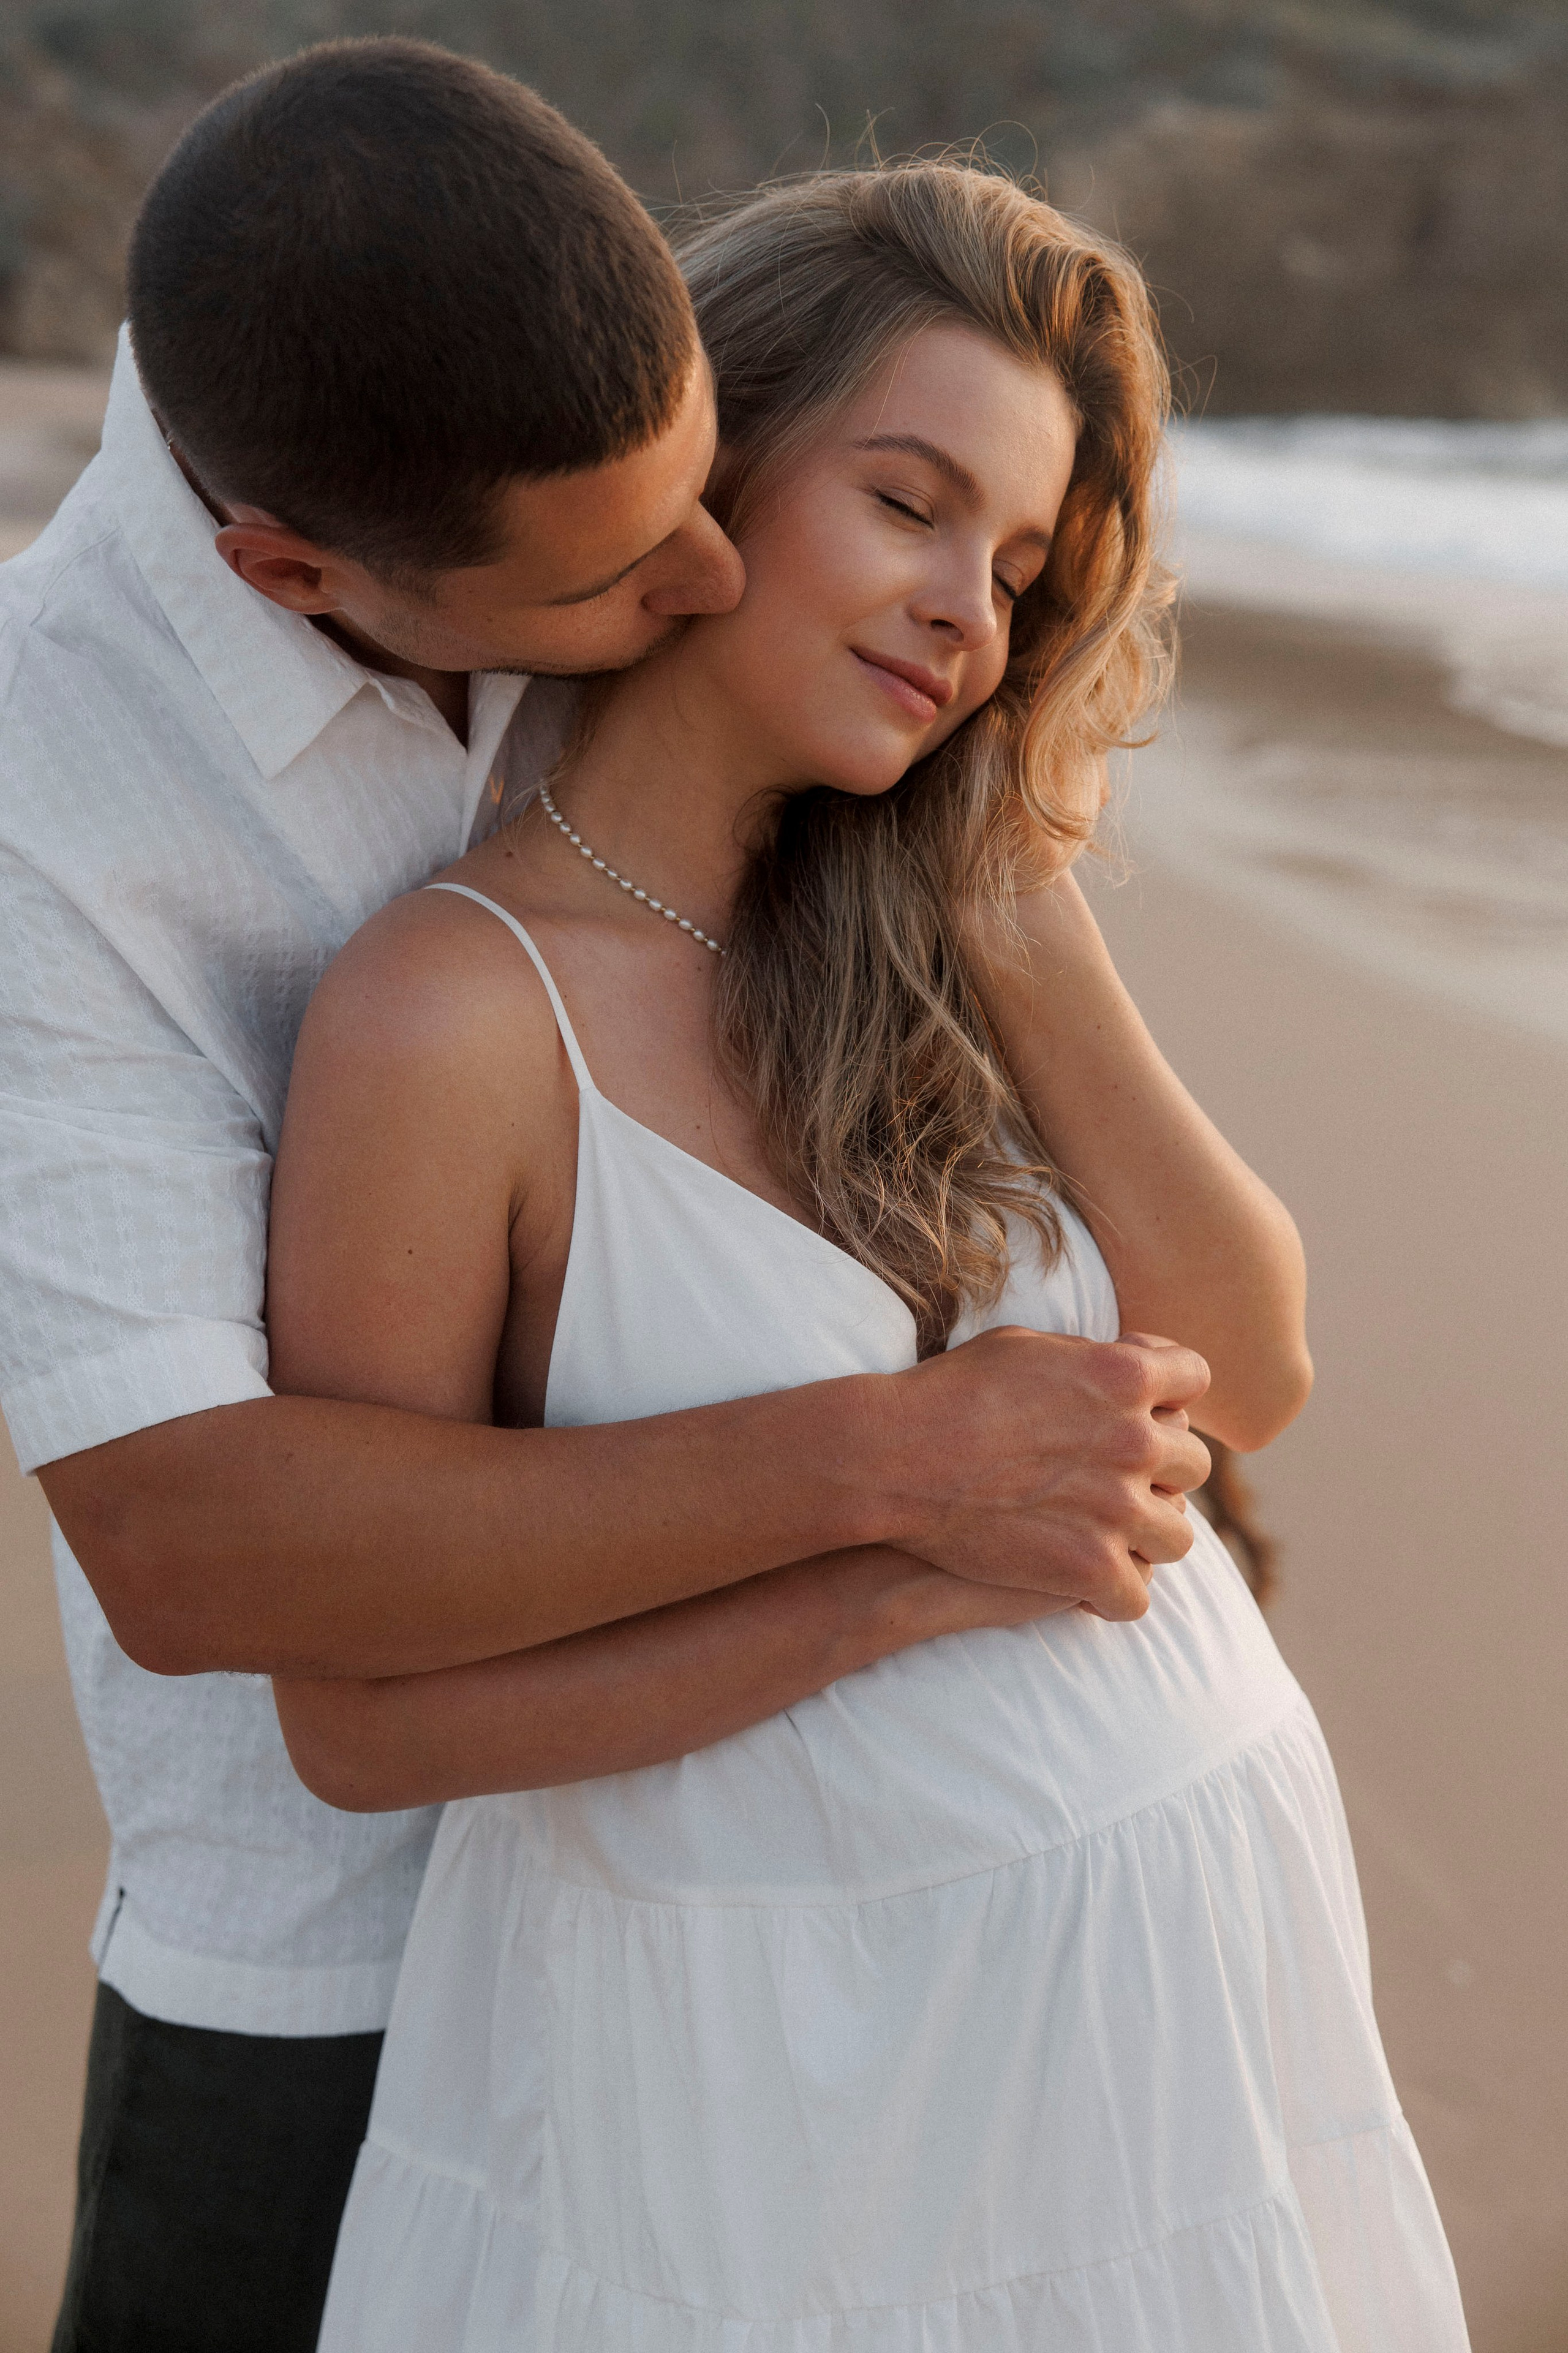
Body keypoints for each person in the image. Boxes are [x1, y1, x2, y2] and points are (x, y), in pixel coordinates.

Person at [0, 45, 1215, 2353]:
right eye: (620, 570)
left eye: (704, 480)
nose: (713, 569)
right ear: (299, 573)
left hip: (784, 1934)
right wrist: (900, 1481)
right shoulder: (45, 799)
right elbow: (187, 1543)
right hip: (346, 1965)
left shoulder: (572, 437)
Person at [266, 165, 1469, 2349]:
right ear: (699, 484)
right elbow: (357, 1706)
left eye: (1018, 569)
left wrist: (1001, 874)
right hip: (759, 2089)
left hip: (1176, 2049)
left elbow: (1248, 1355)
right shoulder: (452, 1016)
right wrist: (906, 1565)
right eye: (908, 504)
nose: (967, 612)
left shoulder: (933, 928)